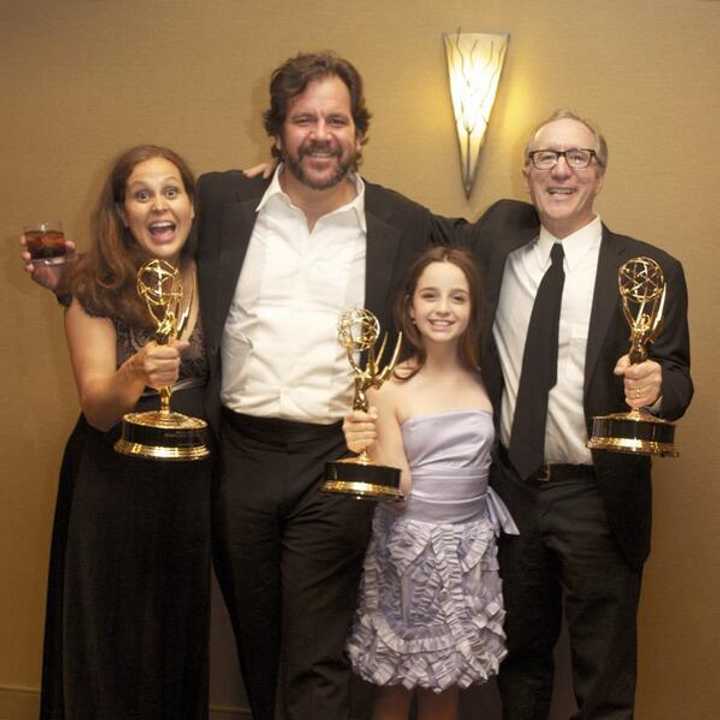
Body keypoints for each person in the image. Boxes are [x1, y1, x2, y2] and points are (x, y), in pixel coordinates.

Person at [194, 52, 436, 720]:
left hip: (336, 460)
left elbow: (473, 277)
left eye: (337, 119)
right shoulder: (220, 202)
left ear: (359, 132)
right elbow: (140, 247)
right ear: (277, 131)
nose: (321, 134)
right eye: (304, 119)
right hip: (238, 455)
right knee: (255, 632)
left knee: (318, 645)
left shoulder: (402, 223)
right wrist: (70, 283)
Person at [452, 110, 693, 719]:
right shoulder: (496, 244)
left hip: (598, 494)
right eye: (546, 157)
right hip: (510, 491)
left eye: (578, 157)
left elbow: (678, 376)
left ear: (601, 173)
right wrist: (305, 174)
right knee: (521, 666)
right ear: (527, 172)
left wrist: (657, 386)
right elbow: (413, 227)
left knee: (604, 672)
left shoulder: (648, 269)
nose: (561, 170)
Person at [31, 145, 212, 719]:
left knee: (174, 641)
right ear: (122, 212)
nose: (159, 205)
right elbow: (97, 409)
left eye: (171, 190)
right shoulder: (95, 288)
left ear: (190, 204)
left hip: (190, 490)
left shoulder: (216, 276)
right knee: (111, 643)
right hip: (113, 486)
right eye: (141, 194)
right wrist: (135, 371)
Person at [342, 246, 518, 720]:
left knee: (447, 684)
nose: (443, 308)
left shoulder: (487, 381)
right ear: (411, 307)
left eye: (457, 297)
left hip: (471, 549)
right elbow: (397, 487)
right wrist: (364, 447)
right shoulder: (387, 386)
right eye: (431, 296)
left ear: (473, 308)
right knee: (397, 684)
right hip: (409, 550)